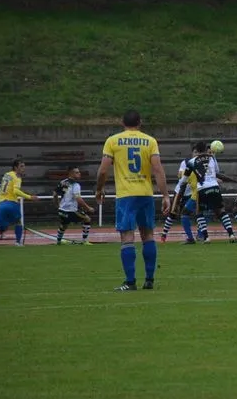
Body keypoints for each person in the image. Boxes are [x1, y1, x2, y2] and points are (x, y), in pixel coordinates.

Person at [95, 110, 170, 292]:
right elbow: (157, 169)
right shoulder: (150, 141)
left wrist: (99, 189)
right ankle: (149, 280)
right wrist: (165, 195)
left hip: (126, 195)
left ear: (122, 123)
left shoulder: (113, 141)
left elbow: (103, 170)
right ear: (140, 122)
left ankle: (130, 282)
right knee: (148, 235)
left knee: (127, 237)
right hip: (145, 193)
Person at [175, 141, 237, 243]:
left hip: (202, 189)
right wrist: (233, 180)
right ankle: (231, 234)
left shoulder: (191, 162)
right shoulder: (212, 158)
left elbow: (184, 180)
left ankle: (206, 237)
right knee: (221, 211)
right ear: (205, 149)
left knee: (199, 212)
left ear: (197, 150)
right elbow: (217, 173)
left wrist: (181, 187)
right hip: (214, 187)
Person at [0, 159, 39, 246]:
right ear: (15, 167)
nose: (23, 168)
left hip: (0, 203)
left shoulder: (7, 174)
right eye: (21, 166)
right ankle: (18, 242)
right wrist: (29, 197)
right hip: (11, 202)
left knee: (3, 224)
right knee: (18, 222)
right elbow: (15, 191)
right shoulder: (17, 177)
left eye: (24, 166)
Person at [161, 144, 201, 244]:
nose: (197, 154)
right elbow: (181, 177)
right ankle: (164, 234)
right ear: (192, 153)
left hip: (192, 192)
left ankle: (198, 235)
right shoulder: (186, 162)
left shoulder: (201, 164)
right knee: (173, 213)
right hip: (180, 191)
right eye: (195, 152)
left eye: (198, 152)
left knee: (198, 212)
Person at [53, 165, 94, 245]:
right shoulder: (76, 185)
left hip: (62, 210)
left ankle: (58, 241)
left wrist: (57, 205)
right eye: (77, 172)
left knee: (64, 224)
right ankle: (84, 241)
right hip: (71, 210)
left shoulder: (63, 182)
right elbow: (78, 199)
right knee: (87, 219)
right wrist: (88, 208)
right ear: (71, 173)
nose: (79, 174)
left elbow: (55, 194)